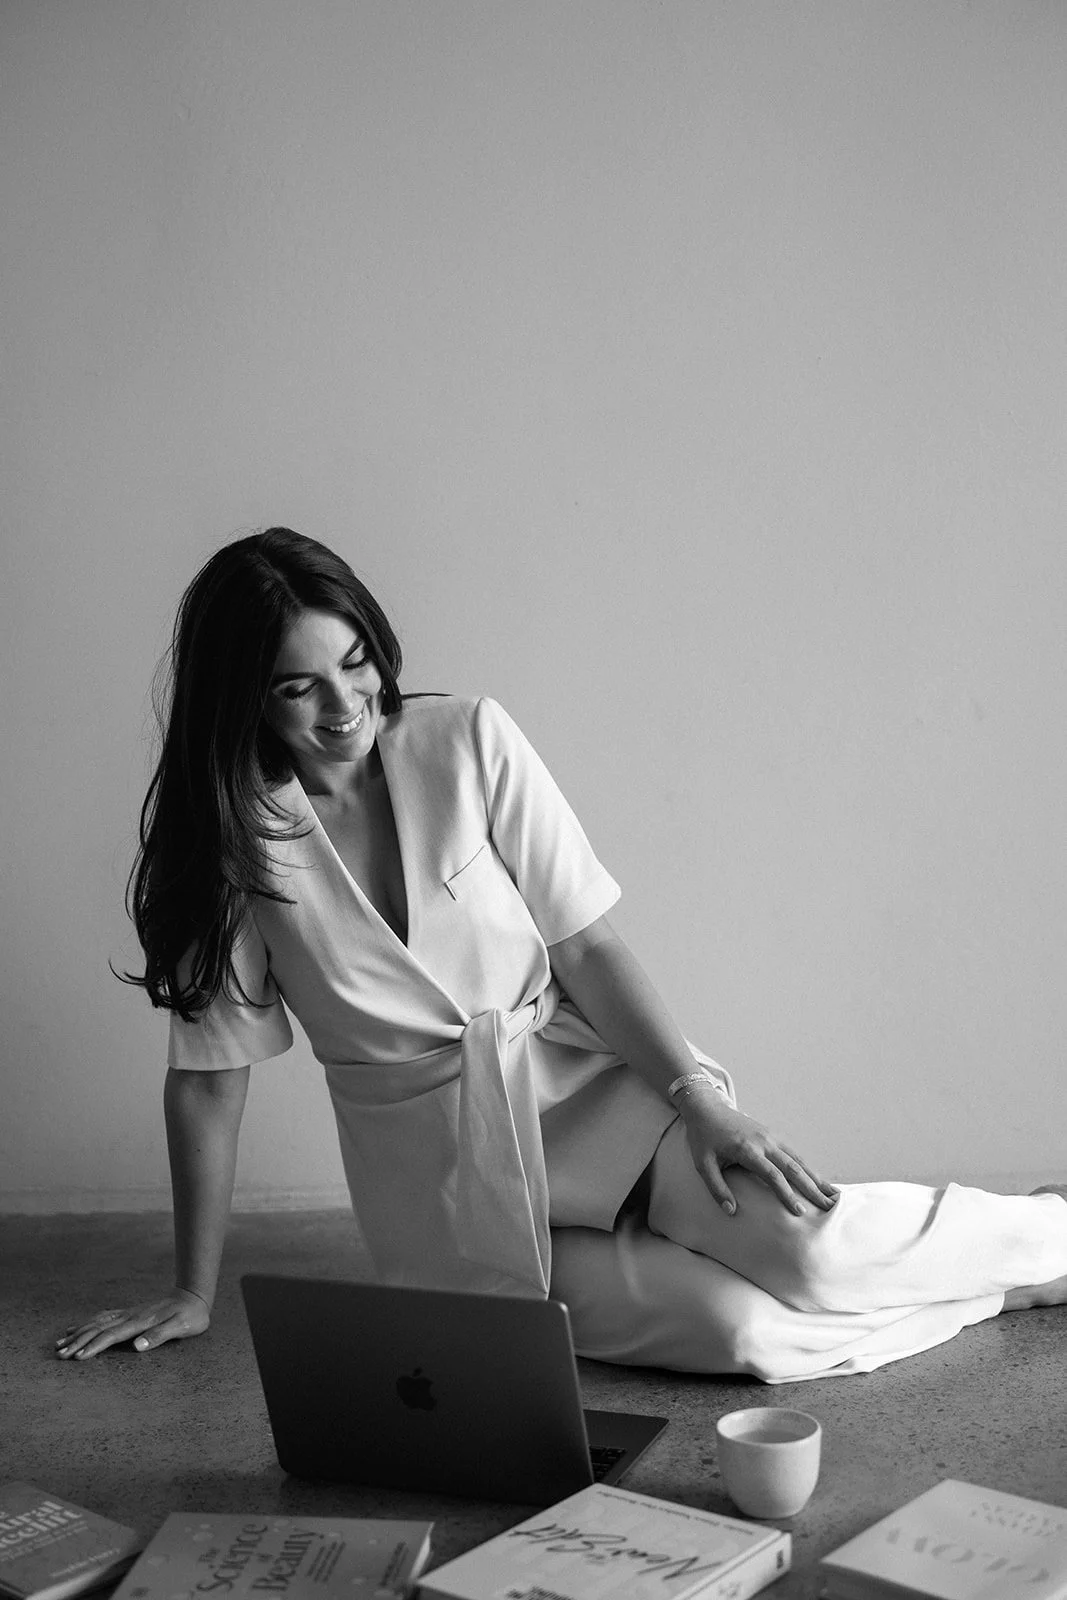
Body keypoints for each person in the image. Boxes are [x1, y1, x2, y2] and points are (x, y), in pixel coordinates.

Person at [57, 529, 1067, 1382]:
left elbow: (584, 942)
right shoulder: (237, 846)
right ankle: (1001, 1277)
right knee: (743, 1332)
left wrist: (695, 1096)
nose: (344, 705)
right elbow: (207, 1080)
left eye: (356, 662)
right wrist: (193, 1289)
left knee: (814, 1254)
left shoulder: (467, 740)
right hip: (450, 1191)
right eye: (297, 686)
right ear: (243, 700)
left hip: (588, 1090)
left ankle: (1047, 1231)